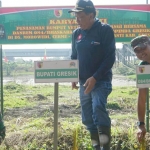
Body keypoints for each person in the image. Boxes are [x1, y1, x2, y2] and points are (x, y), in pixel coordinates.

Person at [68, 0, 116, 149]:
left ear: (91, 15)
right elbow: (74, 57)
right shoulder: (76, 33)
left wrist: (95, 77)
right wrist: (73, 76)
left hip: (101, 81)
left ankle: (105, 147)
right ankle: (97, 146)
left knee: (98, 108)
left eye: (80, 16)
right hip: (84, 83)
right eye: (76, 17)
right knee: (87, 118)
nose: (77, 20)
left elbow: (110, 57)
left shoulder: (104, 30)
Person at [131, 35, 150, 143]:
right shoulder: (143, 67)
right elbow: (142, 97)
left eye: (143, 48)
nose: (141, 52)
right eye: (137, 51)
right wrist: (141, 124)